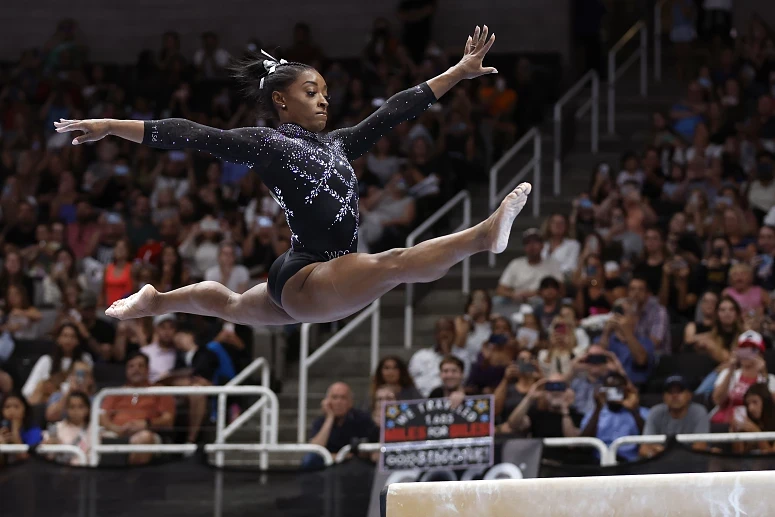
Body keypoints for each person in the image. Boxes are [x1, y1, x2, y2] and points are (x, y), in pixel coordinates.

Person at [55, 26, 532, 331]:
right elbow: (191, 133)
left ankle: (158, 301)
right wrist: (110, 126)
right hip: (309, 274)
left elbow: (394, 111)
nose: (324, 100)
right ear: (282, 101)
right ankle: (482, 235)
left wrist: (459, 70)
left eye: (325, 91)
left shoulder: (339, 144)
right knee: (394, 263)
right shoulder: (268, 144)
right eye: (311, 91)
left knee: (235, 306)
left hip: (311, 277)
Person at [305, 382, 377, 469]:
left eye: (343, 398)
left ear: (350, 402)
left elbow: (368, 452)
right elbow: (315, 449)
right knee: (309, 459)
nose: (339, 402)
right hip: (328, 465)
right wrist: (330, 418)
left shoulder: (362, 419)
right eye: (335, 397)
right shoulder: (321, 421)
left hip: (355, 467)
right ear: (327, 401)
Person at [581, 372, 646, 462]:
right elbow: (584, 444)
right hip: (600, 463)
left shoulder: (642, 412)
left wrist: (634, 411)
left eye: (618, 388)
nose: (614, 392)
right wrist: (598, 409)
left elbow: (649, 438)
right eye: (610, 388)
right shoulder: (594, 414)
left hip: (632, 463)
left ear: (626, 390)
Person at [639, 376, 710, 458]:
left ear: (689, 395)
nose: (674, 396)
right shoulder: (655, 412)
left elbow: (700, 448)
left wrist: (664, 453)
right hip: (661, 465)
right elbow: (644, 449)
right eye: (670, 392)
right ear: (664, 397)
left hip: (690, 465)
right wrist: (652, 454)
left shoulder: (699, 412)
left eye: (679, 391)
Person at [41, 391, 92, 466]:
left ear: (88, 409)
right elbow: (46, 456)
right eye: (72, 407)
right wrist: (50, 446)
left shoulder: (93, 430)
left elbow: (93, 457)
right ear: (66, 409)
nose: (76, 411)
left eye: (80, 406)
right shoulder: (56, 428)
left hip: (84, 471)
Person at [730, 383, 775, 454]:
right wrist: (735, 434)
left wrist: (757, 433)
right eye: (748, 404)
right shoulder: (748, 424)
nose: (751, 408)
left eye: (755, 402)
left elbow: (771, 458)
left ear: (765, 401)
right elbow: (739, 456)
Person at [0, 392, 41, 465]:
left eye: (16, 406)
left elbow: (26, 459)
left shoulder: (33, 430)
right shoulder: (2, 429)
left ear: (25, 409)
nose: (11, 410)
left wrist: (15, 433)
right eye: (7, 407)